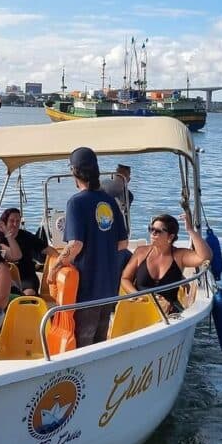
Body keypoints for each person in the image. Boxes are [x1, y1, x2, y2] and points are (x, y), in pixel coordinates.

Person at [48, 146, 129, 348]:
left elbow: (75, 244)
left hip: (85, 290)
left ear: (74, 172)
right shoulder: (110, 201)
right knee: (100, 341)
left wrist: (54, 269)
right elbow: (123, 243)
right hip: (108, 288)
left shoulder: (76, 203)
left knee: (82, 344)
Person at [120, 208, 212, 313]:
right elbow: (125, 278)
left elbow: (205, 257)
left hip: (167, 312)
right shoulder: (141, 252)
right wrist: (139, 296)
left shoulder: (179, 255)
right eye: (151, 229)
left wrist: (190, 230)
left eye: (158, 231)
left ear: (171, 236)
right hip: (140, 306)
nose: (153, 233)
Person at [0, 207, 58, 295]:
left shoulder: (27, 237)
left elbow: (50, 251)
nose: (15, 224)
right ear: (4, 222)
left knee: (28, 294)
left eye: (18, 221)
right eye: (12, 221)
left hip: (26, 277)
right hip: (5, 277)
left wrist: (59, 263)